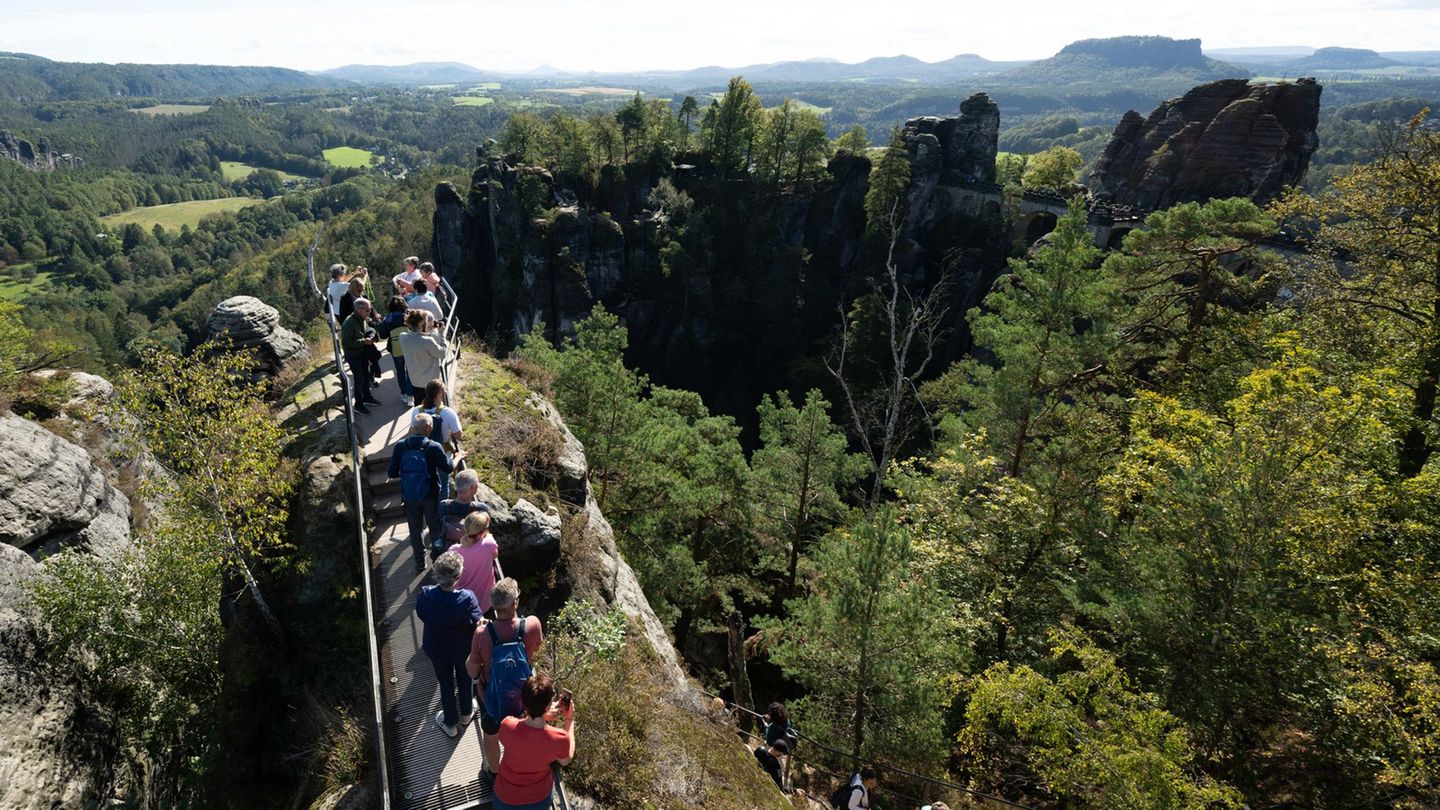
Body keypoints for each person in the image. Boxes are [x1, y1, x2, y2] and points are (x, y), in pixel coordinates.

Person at [467, 577, 545, 778]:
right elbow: (536, 648)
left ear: (493, 606)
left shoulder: (482, 633)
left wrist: (482, 631)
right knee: (524, 732)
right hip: (524, 697)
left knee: (491, 736)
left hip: (491, 697)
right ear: (515, 603)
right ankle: (523, 766)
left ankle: (494, 772)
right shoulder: (532, 624)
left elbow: (471, 668)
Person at [416, 550, 482, 738]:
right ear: (458, 577)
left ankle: (450, 723)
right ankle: (466, 713)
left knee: (445, 683)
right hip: (462, 649)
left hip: (436, 648)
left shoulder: (425, 595)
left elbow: (421, 614)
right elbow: (477, 622)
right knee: (465, 678)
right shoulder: (467, 599)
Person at [387, 413, 462, 572]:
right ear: (429, 428)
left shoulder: (401, 446)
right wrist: (458, 457)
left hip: (410, 495)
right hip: (430, 494)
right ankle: (438, 561)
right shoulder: (433, 446)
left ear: (413, 428)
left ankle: (420, 563)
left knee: (415, 529)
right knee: (435, 528)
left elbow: (391, 473)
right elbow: (448, 468)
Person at [491, 673, 575, 810]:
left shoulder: (507, 725)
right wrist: (569, 720)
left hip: (505, 798)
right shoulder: (559, 738)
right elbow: (565, 760)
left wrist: (540, 714)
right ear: (548, 706)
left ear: (523, 702)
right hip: (538, 800)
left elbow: (524, 726)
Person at [449, 511, 500, 614]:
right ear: (484, 531)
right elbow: (495, 555)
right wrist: (487, 535)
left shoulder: (453, 550)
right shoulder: (489, 544)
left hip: (461, 603)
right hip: (485, 602)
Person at [340, 297, 381, 414]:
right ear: (359, 310)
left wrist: (370, 337)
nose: (370, 312)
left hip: (362, 353)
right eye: (368, 310)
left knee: (366, 376)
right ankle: (358, 405)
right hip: (353, 355)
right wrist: (364, 341)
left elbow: (367, 330)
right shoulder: (349, 323)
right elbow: (347, 343)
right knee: (359, 379)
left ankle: (367, 397)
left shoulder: (362, 319)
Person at [397, 310, 446, 398]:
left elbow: (415, 338)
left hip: (415, 381)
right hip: (430, 383)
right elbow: (442, 353)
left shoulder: (402, 337)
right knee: (432, 407)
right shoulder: (427, 341)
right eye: (426, 321)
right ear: (421, 323)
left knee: (419, 406)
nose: (428, 323)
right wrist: (442, 333)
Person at [376, 295, 413, 405]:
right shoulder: (408, 316)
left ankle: (404, 394)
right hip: (409, 347)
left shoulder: (388, 319)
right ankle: (411, 395)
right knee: (410, 370)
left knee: (400, 371)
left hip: (395, 348)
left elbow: (382, 335)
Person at [441, 469, 490, 547]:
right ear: (472, 487)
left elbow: (438, 527)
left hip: (448, 549)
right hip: (470, 549)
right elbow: (485, 533)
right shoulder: (480, 508)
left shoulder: (444, 505)